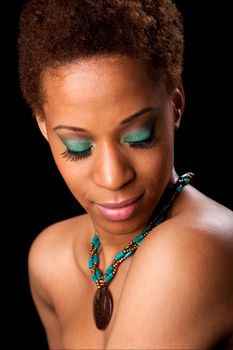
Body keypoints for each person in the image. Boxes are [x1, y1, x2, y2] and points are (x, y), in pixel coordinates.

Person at [18, 0, 233, 349]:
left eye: (138, 137)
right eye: (77, 147)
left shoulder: (193, 250)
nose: (112, 177)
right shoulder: (50, 260)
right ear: (44, 127)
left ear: (175, 103)